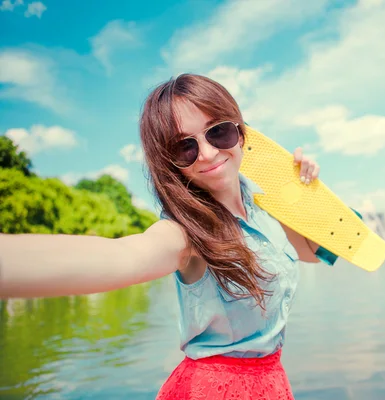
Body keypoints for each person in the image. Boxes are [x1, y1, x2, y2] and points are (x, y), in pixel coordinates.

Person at [0, 73, 329, 399]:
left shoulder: (264, 209)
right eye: (185, 147)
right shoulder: (185, 234)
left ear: (241, 133)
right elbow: (124, 256)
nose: (208, 153)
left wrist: (303, 192)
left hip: (270, 382)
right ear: (169, 163)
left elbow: (315, 251)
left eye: (219, 132)